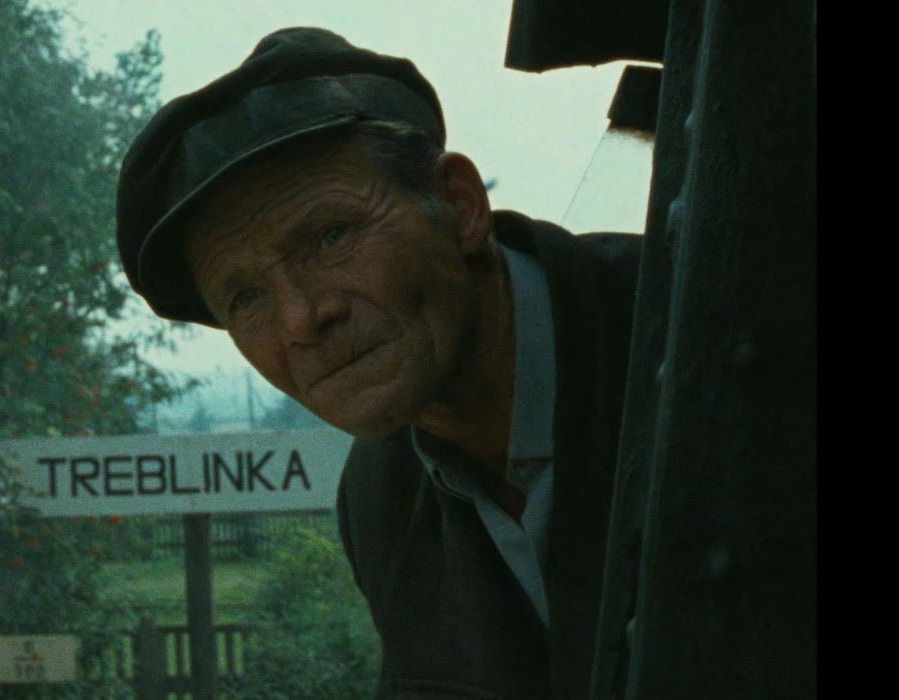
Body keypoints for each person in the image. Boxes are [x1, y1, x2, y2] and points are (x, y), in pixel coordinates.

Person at [115, 27, 641, 699]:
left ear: (459, 205)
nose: (302, 319)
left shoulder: (699, 339)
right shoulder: (378, 498)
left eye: (331, 235)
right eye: (245, 296)